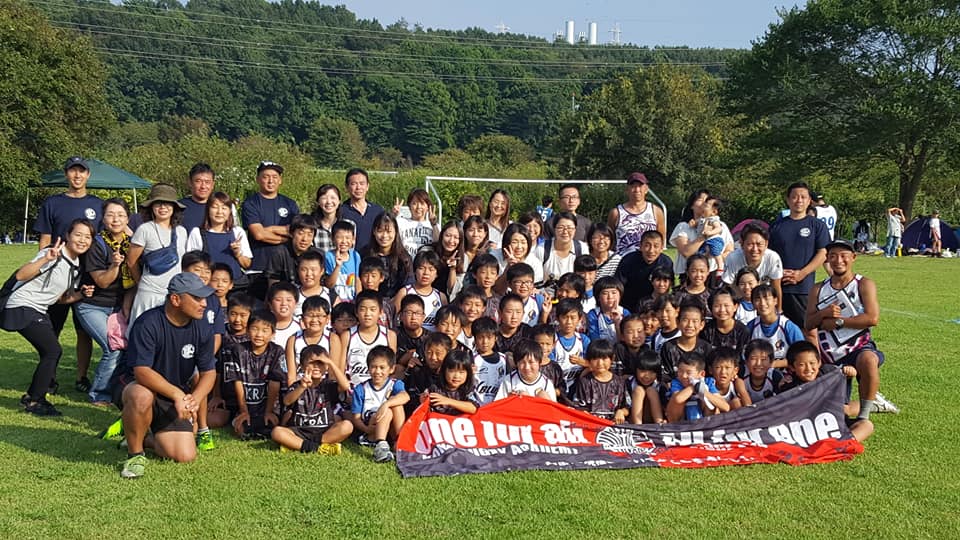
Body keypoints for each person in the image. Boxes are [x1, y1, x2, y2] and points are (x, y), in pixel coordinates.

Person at [114, 273, 218, 478]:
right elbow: (142, 372)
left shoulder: (203, 327)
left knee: (184, 455)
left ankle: (140, 436)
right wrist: (178, 395)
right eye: (197, 298)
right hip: (137, 385)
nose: (204, 303)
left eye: (204, 298)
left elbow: (209, 373)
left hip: (173, 393)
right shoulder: (148, 323)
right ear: (176, 299)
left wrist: (193, 401)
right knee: (141, 395)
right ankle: (135, 455)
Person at [3, 219, 94, 416]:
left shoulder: (76, 265)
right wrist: (46, 258)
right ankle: (36, 401)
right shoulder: (53, 254)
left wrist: (81, 294)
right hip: (22, 306)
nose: (82, 240)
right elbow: (21, 275)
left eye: (87, 237)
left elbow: (59, 298)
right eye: (78, 235)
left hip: (38, 309)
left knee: (51, 351)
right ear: (68, 236)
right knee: (52, 351)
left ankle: (32, 396)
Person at [805, 239, 896, 419]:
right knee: (835, 413)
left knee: (869, 359)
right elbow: (808, 324)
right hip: (829, 354)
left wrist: (839, 322)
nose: (838, 260)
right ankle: (871, 404)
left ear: (853, 257)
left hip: (858, 347)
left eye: (843, 255)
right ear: (827, 260)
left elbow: (872, 318)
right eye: (833, 256)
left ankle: (863, 416)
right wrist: (824, 313)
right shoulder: (818, 289)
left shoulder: (864, 284)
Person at [34, 156, 101, 396]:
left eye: (81, 171)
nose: (77, 176)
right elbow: (44, 240)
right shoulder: (52, 203)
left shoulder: (97, 204)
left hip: (86, 275)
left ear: (88, 175)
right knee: (52, 327)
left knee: (84, 329)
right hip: (58, 274)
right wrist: (43, 269)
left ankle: (81, 376)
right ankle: (49, 377)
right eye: (73, 171)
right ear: (66, 174)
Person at [76, 199, 134, 406]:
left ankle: (117, 388)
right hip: (92, 305)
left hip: (117, 306)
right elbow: (101, 280)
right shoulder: (97, 244)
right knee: (113, 348)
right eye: (110, 214)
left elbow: (133, 282)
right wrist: (115, 265)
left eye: (120, 214)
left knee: (126, 346)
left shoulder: (133, 242)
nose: (115, 219)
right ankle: (99, 394)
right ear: (103, 218)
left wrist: (126, 305)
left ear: (128, 218)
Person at [778, 341, 874, 442]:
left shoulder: (829, 372)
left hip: (836, 425)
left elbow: (845, 373)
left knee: (866, 425)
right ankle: (830, 446)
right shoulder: (791, 386)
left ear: (819, 362)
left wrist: (850, 372)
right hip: (810, 429)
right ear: (792, 367)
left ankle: (843, 445)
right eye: (801, 365)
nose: (808, 369)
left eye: (812, 363)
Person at [271, 345, 353, 455]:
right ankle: (319, 448)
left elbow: (345, 386)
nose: (316, 367)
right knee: (277, 432)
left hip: (323, 431)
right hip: (299, 430)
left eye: (320, 363)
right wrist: (302, 387)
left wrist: (331, 363)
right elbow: (287, 401)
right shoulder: (297, 385)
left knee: (347, 426)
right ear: (303, 366)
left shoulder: (328, 385)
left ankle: (302, 445)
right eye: (312, 363)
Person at [127, 184, 189, 327]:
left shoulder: (181, 231)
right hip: (149, 292)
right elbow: (131, 261)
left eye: (167, 204)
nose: (163, 208)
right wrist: (140, 282)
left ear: (174, 208)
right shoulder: (144, 229)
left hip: (173, 292)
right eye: (158, 204)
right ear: (151, 207)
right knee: (143, 331)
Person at [768, 182, 829, 328]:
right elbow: (769, 255)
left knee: (807, 331)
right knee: (780, 329)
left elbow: (823, 252)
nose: (799, 200)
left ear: (809, 201)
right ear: (788, 200)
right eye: (794, 197)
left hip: (803, 289)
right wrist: (778, 273)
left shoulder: (817, 226)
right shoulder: (777, 226)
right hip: (779, 287)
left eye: (803, 197)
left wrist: (802, 273)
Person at [219, 311, 283, 439]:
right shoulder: (238, 350)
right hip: (245, 405)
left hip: (267, 406)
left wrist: (269, 412)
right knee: (242, 430)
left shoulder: (277, 351)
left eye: (265, 330)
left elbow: (275, 383)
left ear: (273, 334)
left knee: (271, 426)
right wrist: (243, 411)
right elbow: (237, 381)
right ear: (247, 330)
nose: (259, 334)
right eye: (255, 329)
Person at [241, 161, 300, 300]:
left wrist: (269, 229)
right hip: (258, 267)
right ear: (258, 179)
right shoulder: (251, 203)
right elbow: (258, 234)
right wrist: (284, 234)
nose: (270, 180)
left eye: (274, 177)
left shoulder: (290, 204)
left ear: (280, 180)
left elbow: (296, 232)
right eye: (266, 176)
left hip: (285, 267)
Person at [350, 345, 409, 463]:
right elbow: (356, 418)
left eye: (382, 368)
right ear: (368, 368)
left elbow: (405, 396)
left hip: (390, 425)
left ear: (391, 369)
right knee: (388, 411)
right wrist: (366, 429)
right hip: (371, 424)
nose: (377, 371)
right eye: (373, 367)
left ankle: (399, 443)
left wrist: (385, 404)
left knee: (396, 404)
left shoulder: (394, 383)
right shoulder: (361, 388)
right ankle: (380, 445)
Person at [186, 191, 252, 288]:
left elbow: (247, 264)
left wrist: (238, 254)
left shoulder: (237, 232)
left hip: (235, 287)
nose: (219, 212)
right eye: (215, 207)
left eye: (224, 208)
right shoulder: (197, 233)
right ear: (208, 210)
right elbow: (191, 265)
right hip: (207, 287)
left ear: (230, 211)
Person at [339, 290, 397, 387]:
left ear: (381, 312)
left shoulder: (389, 335)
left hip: (380, 393)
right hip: (353, 392)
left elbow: (391, 369)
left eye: (372, 309)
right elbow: (340, 370)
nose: (367, 314)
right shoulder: (347, 336)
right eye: (363, 309)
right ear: (356, 312)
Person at [721, 221, 783, 305]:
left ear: (766, 244)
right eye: (750, 244)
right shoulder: (733, 258)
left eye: (759, 244)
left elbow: (776, 287)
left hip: (763, 301)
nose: (755, 249)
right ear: (741, 243)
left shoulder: (773, 257)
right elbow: (728, 287)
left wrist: (778, 310)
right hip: (739, 301)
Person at [747, 283, 805, 368]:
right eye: (758, 299)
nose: (762, 303)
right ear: (753, 304)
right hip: (758, 374)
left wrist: (772, 364)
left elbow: (802, 356)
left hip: (786, 376)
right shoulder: (751, 327)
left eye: (766, 298)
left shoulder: (789, 327)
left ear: (775, 301)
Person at [608, 172, 666, 256]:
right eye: (633, 186)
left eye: (640, 186)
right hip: (624, 262)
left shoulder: (656, 211)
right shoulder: (616, 213)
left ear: (646, 189)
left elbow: (661, 240)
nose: (637, 190)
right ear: (627, 189)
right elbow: (610, 241)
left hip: (648, 263)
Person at [572, 339, 629, 423]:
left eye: (604, 358)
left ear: (612, 359)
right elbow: (578, 407)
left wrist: (621, 412)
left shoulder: (619, 382)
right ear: (589, 360)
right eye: (595, 359)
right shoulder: (585, 382)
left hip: (614, 425)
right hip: (591, 424)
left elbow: (627, 406)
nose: (600, 363)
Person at [615, 230, 673, 312]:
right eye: (647, 245)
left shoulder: (666, 262)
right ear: (640, 246)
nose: (651, 250)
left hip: (655, 305)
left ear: (661, 248)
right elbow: (618, 285)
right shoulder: (628, 260)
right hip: (629, 304)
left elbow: (667, 287)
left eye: (656, 246)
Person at [665, 352, 729, 422]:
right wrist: (693, 387)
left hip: (704, 417)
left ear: (701, 374)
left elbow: (726, 407)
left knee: (711, 401)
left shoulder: (708, 382)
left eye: (688, 373)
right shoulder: (677, 382)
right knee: (675, 400)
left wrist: (704, 391)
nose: (683, 376)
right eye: (680, 371)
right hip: (681, 418)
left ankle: (708, 425)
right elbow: (678, 399)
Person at [659, 301, 713, 384]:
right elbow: (666, 378)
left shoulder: (706, 348)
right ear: (678, 322)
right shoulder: (668, 347)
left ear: (701, 325)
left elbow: (709, 376)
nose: (690, 325)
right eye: (685, 320)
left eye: (695, 321)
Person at [362, 213, 412, 299]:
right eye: (380, 231)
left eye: (389, 232)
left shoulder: (404, 258)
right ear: (374, 231)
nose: (384, 236)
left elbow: (408, 286)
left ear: (396, 232)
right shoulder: (364, 254)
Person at [263, 214, 319, 288]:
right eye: (300, 233)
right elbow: (273, 286)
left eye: (309, 235)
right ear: (292, 233)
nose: (304, 239)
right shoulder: (279, 253)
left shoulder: (317, 255)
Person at [339, 168, 384, 253]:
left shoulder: (378, 210)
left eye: (362, 183)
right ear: (347, 187)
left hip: (373, 260)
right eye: (353, 184)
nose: (358, 187)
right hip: (350, 260)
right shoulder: (341, 211)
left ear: (367, 186)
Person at [423, 349, 480, 415]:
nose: (456, 376)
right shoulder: (435, 389)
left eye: (461, 372)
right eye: (452, 371)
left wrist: (448, 401)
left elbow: (473, 408)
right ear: (444, 371)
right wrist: (423, 399)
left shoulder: (469, 389)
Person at [537, 212, 588, 283]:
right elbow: (536, 278)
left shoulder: (582, 249)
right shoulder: (542, 249)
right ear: (554, 229)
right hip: (546, 293)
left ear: (575, 230)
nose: (565, 231)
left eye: (570, 228)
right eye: (561, 227)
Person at [393, 188, 439, 258]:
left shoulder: (434, 225)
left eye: (422, 203)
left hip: (425, 265)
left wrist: (434, 224)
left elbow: (438, 243)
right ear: (409, 206)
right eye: (414, 203)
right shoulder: (400, 222)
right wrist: (393, 215)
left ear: (428, 207)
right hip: (405, 264)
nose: (418, 207)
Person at [324, 220, 361, 302]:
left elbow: (357, 280)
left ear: (353, 240)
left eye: (348, 238)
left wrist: (359, 300)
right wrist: (338, 266)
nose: (344, 241)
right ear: (333, 239)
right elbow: (329, 285)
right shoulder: (328, 256)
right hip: (335, 301)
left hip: (352, 301)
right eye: (339, 237)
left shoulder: (355, 255)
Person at [627, 349, 666, 424]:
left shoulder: (660, 385)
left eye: (652, 372)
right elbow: (625, 406)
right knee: (639, 390)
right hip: (631, 419)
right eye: (642, 371)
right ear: (636, 370)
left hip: (652, 419)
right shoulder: (629, 383)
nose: (647, 376)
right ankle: (638, 426)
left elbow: (665, 406)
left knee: (651, 390)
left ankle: (659, 424)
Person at [691, 196, 727, 275]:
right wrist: (693, 223)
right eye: (703, 205)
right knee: (701, 254)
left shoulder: (713, 219)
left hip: (715, 240)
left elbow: (718, 229)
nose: (703, 207)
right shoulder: (703, 219)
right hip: (706, 241)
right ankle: (704, 267)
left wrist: (710, 233)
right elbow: (697, 222)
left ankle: (720, 267)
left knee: (716, 252)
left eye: (706, 206)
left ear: (714, 212)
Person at [586, 277, 628, 343]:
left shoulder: (625, 313)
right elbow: (595, 340)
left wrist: (617, 323)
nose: (610, 297)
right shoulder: (593, 314)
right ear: (598, 297)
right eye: (605, 293)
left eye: (614, 293)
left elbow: (627, 340)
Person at [179, 163, 216, 231]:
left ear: (213, 184)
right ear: (190, 183)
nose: (203, 186)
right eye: (198, 181)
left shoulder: (221, 208)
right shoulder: (179, 207)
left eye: (207, 182)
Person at [742, 339, 780, 403]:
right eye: (753, 358)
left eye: (763, 359)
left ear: (771, 362)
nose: (758, 364)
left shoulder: (775, 376)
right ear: (746, 361)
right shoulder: (741, 373)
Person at [311, 184, 341, 254]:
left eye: (333, 198)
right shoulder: (312, 225)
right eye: (324, 198)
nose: (329, 202)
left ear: (339, 201)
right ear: (318, 201)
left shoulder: (348, 225)